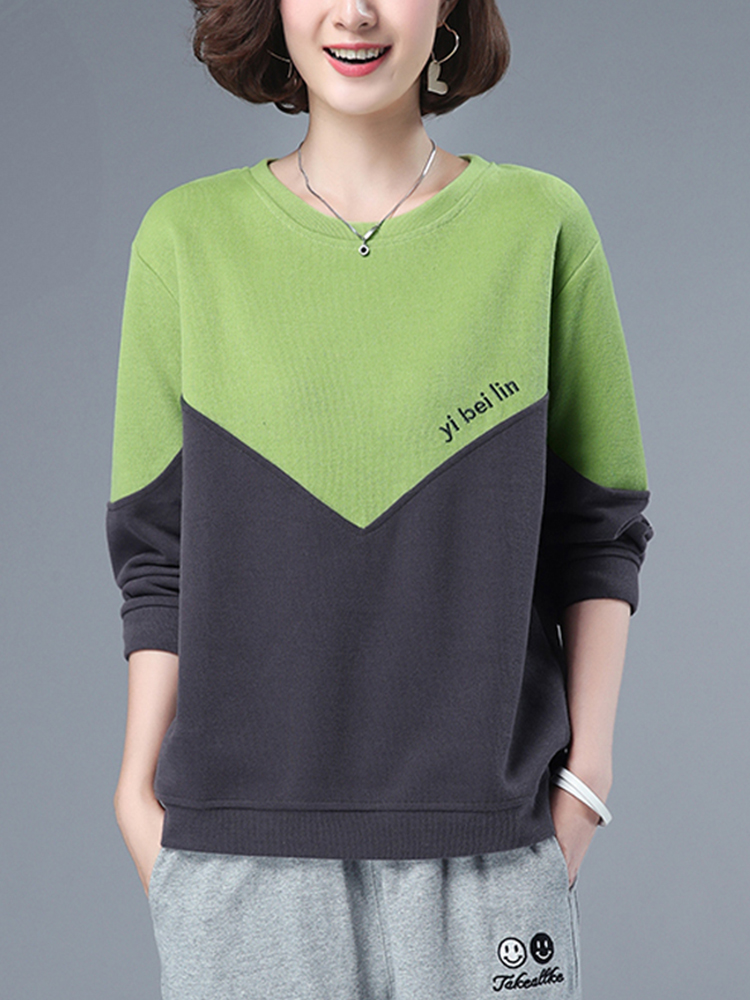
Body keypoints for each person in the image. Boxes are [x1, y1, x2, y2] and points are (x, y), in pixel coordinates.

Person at [107, 1, 653, 997]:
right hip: (240, 862)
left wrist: (589, 780)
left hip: (488, 857)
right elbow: (157, 549)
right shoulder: (186, 239)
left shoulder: (538, 226)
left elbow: (599, 529)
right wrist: (137, 794)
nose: (355, 12)